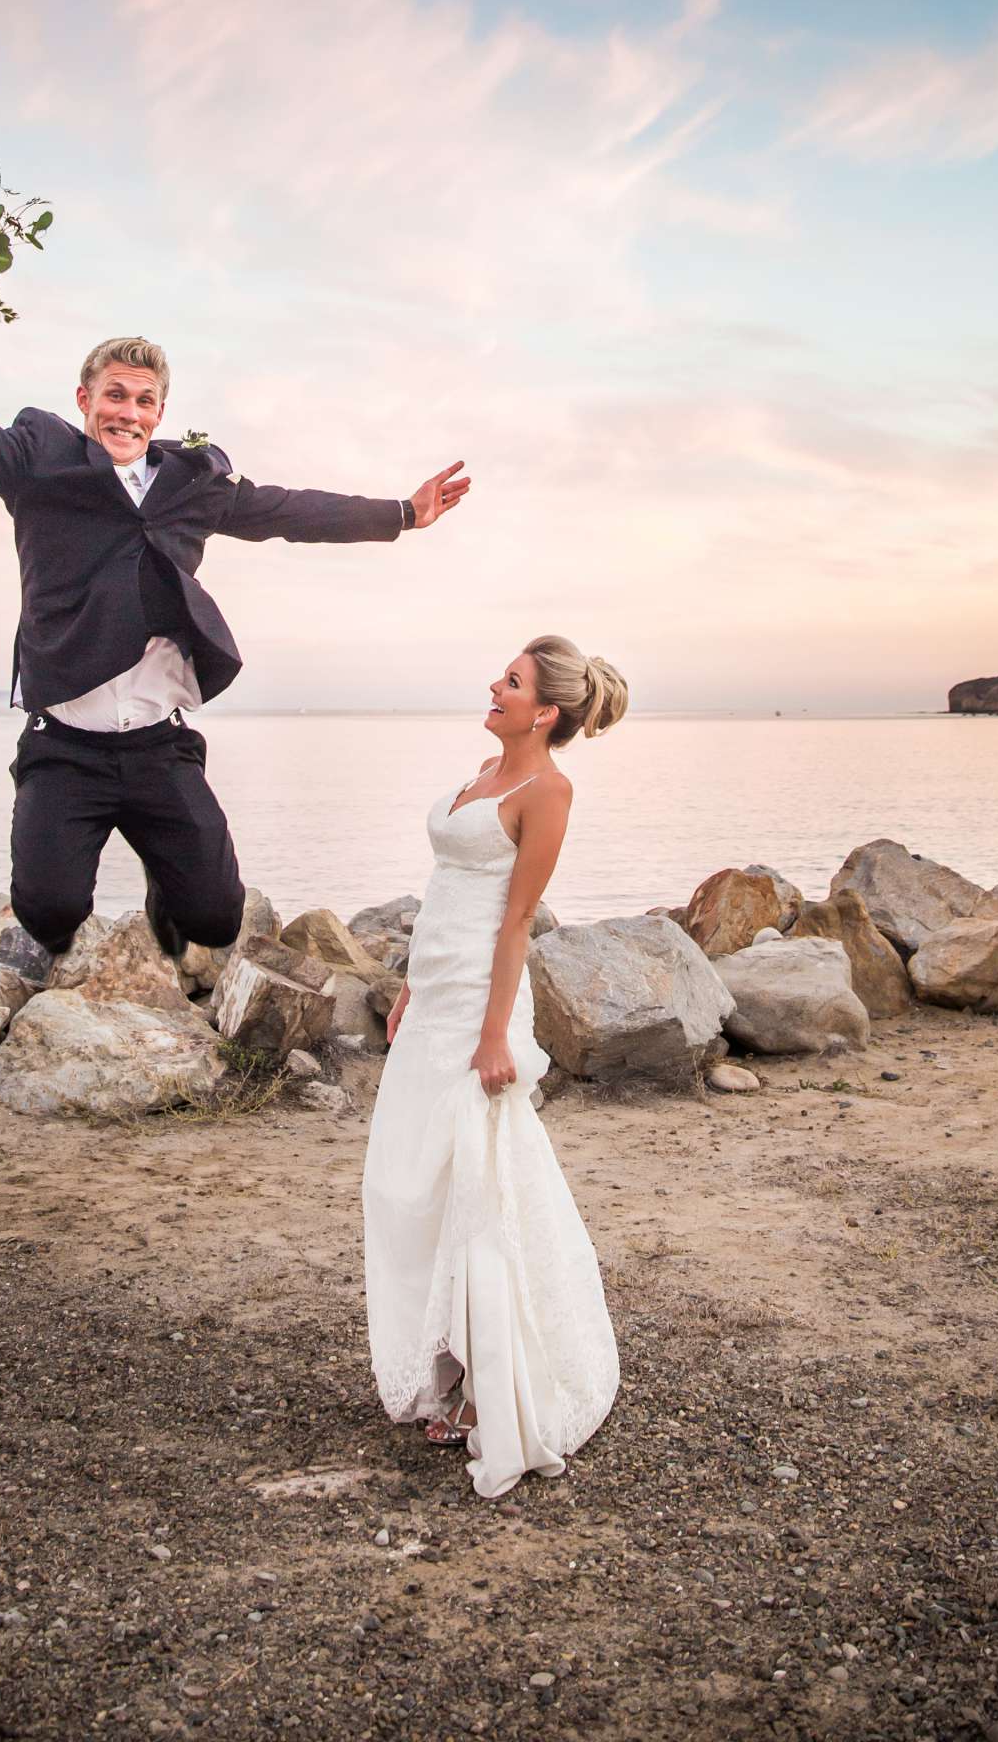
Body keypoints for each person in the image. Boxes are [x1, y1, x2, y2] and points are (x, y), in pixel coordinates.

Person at [0, 289, 470, 959]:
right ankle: (52, 902)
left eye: (143, 400)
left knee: (213, 921)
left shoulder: (191, 480)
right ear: (84, 400)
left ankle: (167, 889)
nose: (128, 411)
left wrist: (403, 514)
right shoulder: (39, 461)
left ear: (160, 412)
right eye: (115, 395)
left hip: (159, 746)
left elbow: (284, 512)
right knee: (49, 910)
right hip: (65, 745)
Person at [362, 634, 626, 1498]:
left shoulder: (549, 790)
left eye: (510, 682)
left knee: (477, 1187)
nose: (494, 686)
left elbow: (515, 921)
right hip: (432, 994)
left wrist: (495, 1033)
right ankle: (442, 1357)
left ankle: (492, 1388)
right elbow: (445, 889)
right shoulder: (483, 766)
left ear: (546, 710)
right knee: (411, 1184)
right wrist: (407, 981)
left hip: (476, 1006)